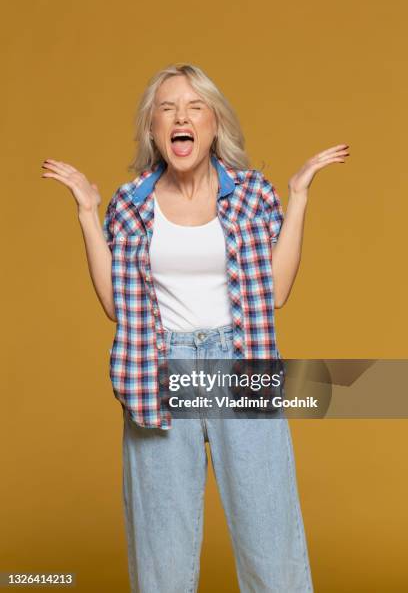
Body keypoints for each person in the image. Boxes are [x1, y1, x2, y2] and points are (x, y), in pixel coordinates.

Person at [41, 62, 349, 592]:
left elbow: (274, 293)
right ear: (155, 131)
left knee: (268, 530)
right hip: (158, 370)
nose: (180, 117)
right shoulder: (129, 206)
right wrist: (88, 214)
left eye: (193, 107)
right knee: (161, 546)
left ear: (213, 125)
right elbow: (117, 305)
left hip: (240, 361)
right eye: (166, 109)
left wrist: (298, 196)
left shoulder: (254, 196)